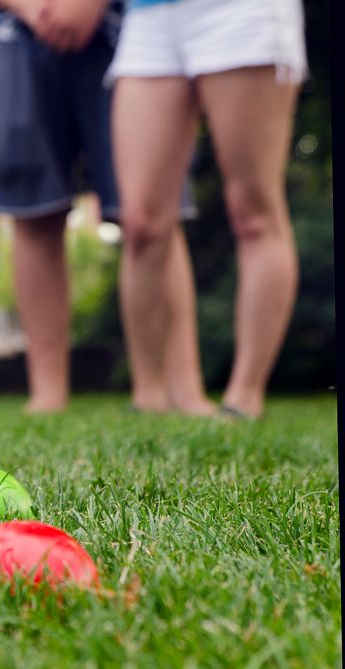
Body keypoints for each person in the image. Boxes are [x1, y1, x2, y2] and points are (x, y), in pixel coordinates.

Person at [0, 0, 213, 415]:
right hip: (10, 25)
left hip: (124, 23)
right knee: (33, 211)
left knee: (152, 215)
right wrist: (31, 9)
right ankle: (47, 394)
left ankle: (181, 389)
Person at [108, 0, 306, 420]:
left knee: (253, 212)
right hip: (149, 14)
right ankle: (149, 396)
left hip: (239, 11)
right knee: (141, 221)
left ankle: (243, 398)